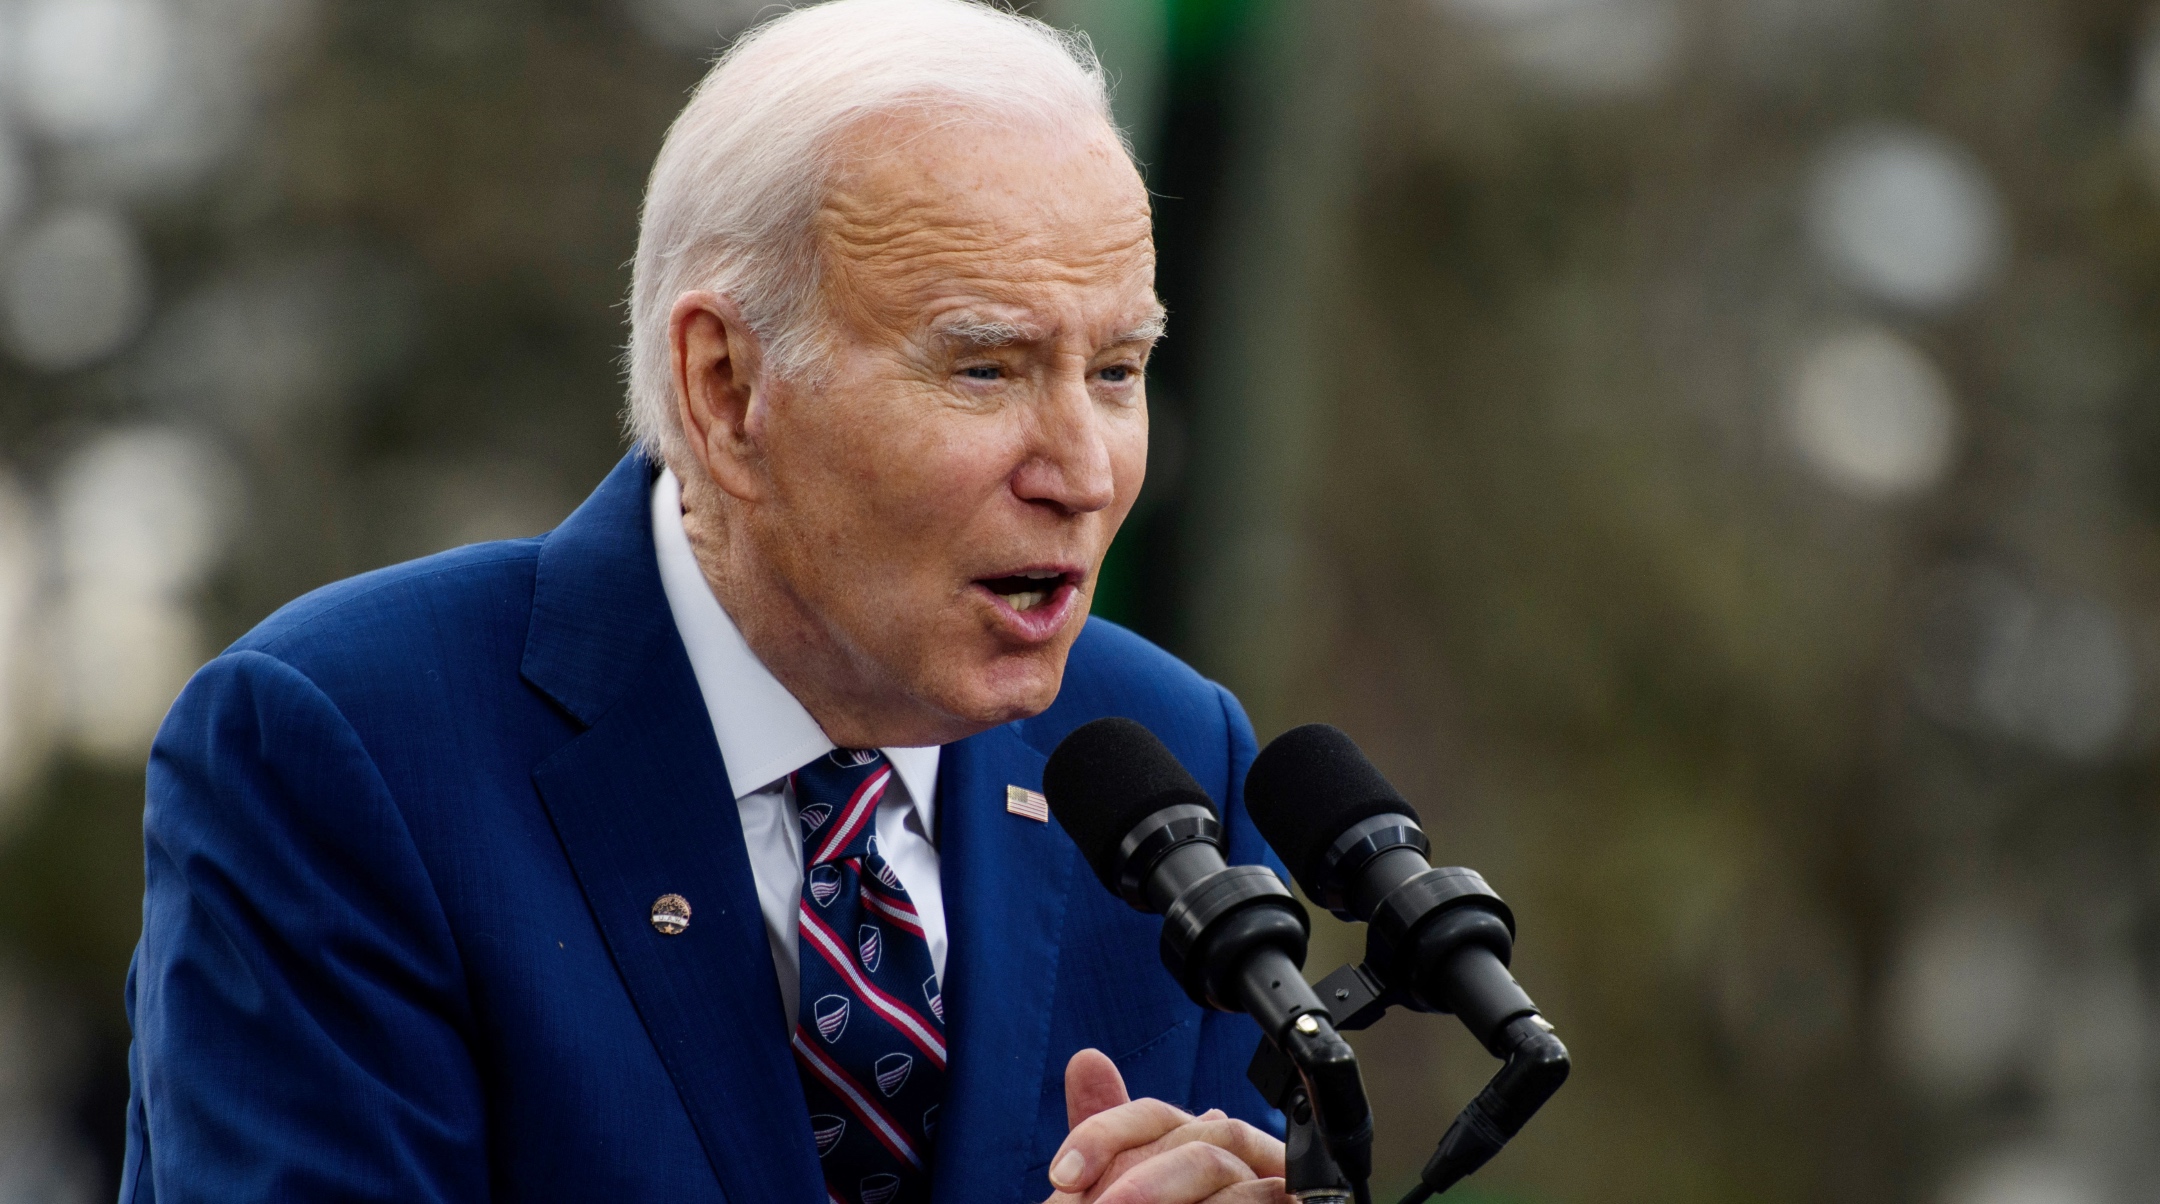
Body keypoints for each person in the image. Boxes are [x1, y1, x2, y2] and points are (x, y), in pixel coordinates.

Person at [120, 2, 1292, 1202]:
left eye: (1115, 372)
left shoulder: (1175, 757)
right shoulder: (341, 748)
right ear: (727, 388)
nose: (1085, 473)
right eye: (985, 367)